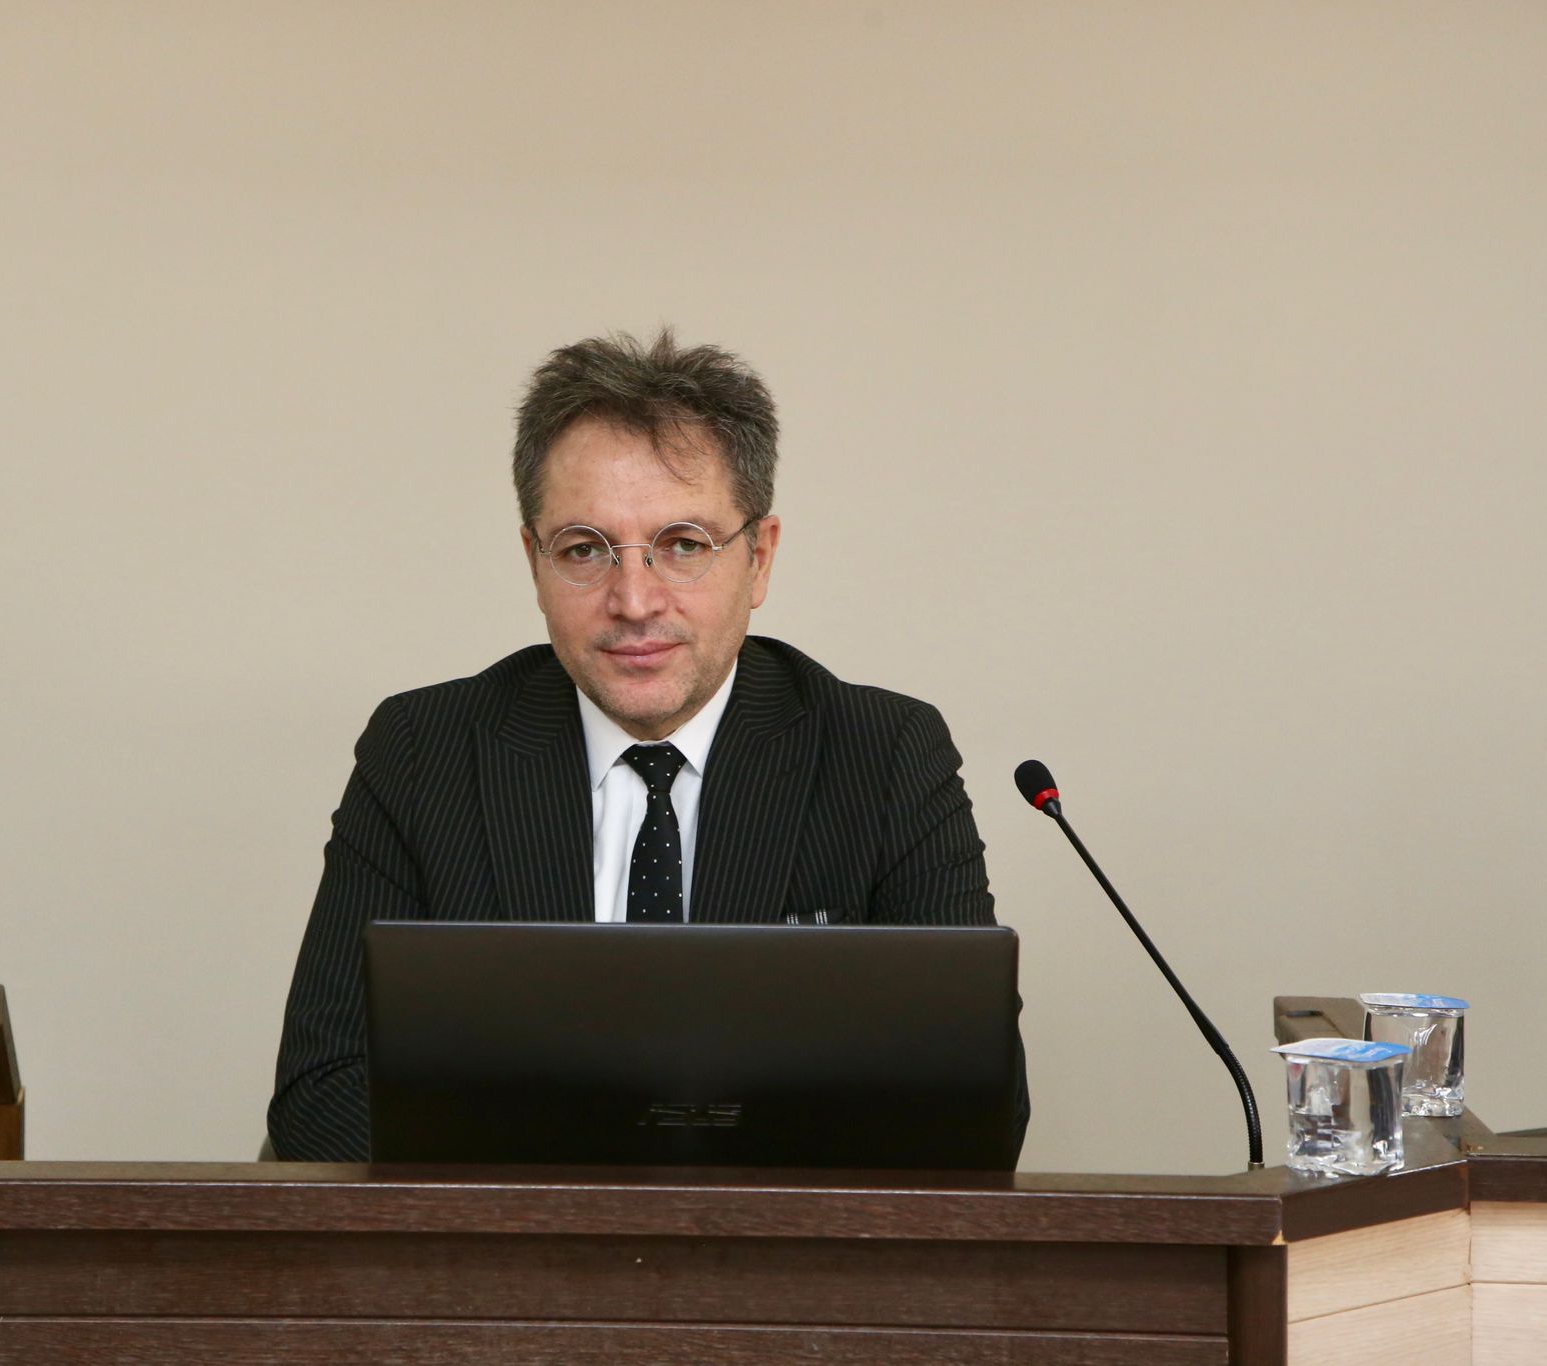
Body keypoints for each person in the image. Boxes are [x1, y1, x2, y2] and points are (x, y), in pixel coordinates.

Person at [267, 329, 1021, 1162]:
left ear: (759, 559)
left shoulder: (885, 758)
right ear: (534, 561)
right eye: (584, 549)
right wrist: (577, 1216)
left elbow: (964, 1108)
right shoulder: (422, 753)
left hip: (770, 1249)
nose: (633, 600)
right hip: (512, 1246)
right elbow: (321, 1096)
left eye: (683, 545)